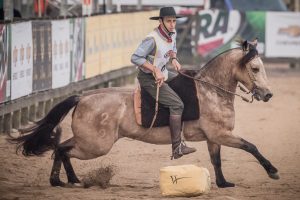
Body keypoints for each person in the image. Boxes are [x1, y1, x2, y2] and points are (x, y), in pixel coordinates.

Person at [131, 7, 196, 159]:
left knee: (186, 82)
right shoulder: (152, 39)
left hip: (164, 73)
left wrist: (174, 59)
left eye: (174, 21)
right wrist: (154, 69)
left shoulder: (171, 33)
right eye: (169, 21)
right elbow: (135, 58)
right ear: (161, 21)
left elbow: (172, 48)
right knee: (177, 104)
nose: (173, 24)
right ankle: (177, 147)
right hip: (149, 78)